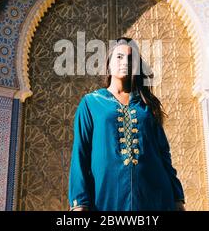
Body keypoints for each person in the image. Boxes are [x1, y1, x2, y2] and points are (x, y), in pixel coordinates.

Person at [68, 37, 186, 211]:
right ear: (108, 63)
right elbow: (80, 153)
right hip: (106, 198)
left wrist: (177, 197)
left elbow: (163, 153)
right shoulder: (91, 103)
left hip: (154, 197)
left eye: (131, 59)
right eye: (119, 57)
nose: (125, 62)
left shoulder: (146, 104)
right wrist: (79, 202)